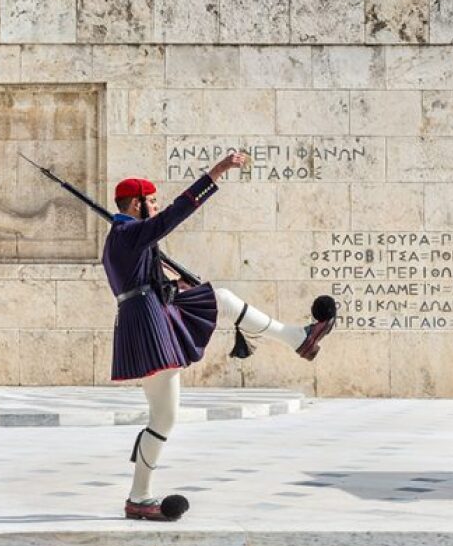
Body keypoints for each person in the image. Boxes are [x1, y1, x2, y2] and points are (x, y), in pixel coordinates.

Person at [103, 153, 336, 521]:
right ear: (136, 204)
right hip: (149, 325)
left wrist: (172, 284)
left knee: (222, 300)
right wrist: (217, 172)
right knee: (164, 417)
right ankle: (139, 497)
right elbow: (177, 212)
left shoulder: (123, 236)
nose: (157, 206)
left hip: (153, 312)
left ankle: (297, 337)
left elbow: (141, 280)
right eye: (151, 201)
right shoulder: (129, 232)